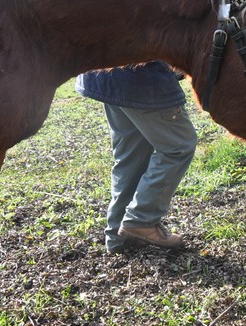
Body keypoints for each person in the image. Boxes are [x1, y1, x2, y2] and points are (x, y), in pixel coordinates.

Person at [75, 62, 197, 254]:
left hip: (107, 71)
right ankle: (141, 219)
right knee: (178, 147)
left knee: (132, 154)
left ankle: (119, 236)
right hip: (143, 79)